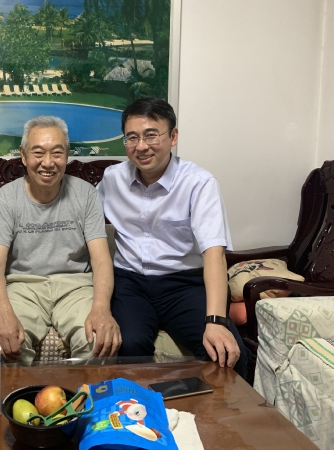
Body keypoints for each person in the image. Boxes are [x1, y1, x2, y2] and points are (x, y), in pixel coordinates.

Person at [98, 98, 249, 377]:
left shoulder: (199, 183)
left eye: (151, 135)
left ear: (173, 136)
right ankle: (138, 405)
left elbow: (214, 253)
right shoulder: (112, 179)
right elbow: (84, 220)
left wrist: (216, 321)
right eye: (132, 137)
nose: (141, 146)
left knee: (226, 355)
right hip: (130, 284)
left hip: (184, 285)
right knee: (128, 345)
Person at [0, 116, 121, 362]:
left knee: (98, 343)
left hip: (75, 287)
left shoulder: (86, 194)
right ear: (23, 155)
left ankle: (81, 390)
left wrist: (102, 309)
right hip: (23, 287)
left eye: (57, 153)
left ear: (67, 155)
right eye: (38, 153)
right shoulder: (7, 197)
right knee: (6, 346)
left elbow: (101, 259)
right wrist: (2, 313)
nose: (48, 163)